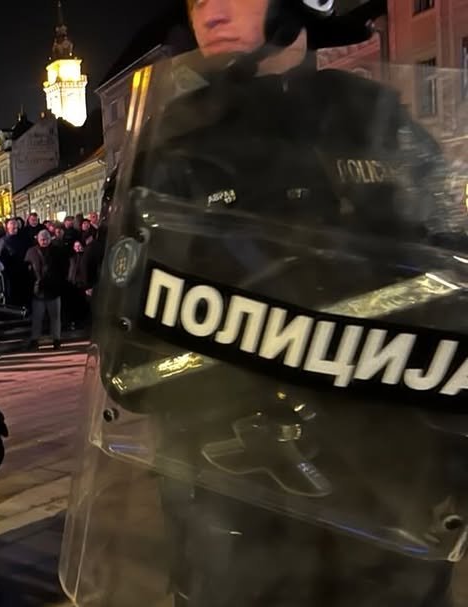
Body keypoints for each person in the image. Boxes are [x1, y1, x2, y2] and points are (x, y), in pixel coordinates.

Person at [59, 1, 468, 606]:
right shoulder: (176, 141)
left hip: (388, 506)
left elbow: (452, 285)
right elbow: (128, 358)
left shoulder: (373, 119)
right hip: (233, 503)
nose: (211, 12)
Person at [25, 229, 66, 350]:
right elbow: (26, 269)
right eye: (42, 239)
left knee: (55, 316)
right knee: (37, 317)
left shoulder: (57, 251)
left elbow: (63, 268)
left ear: (50, 239)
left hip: (54, 289)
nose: (44, 241)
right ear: (38, 239)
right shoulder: (31, 251)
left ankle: (57, 339)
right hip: (38, 289)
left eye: (46, 239)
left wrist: (59, 282)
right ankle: (35, 339)